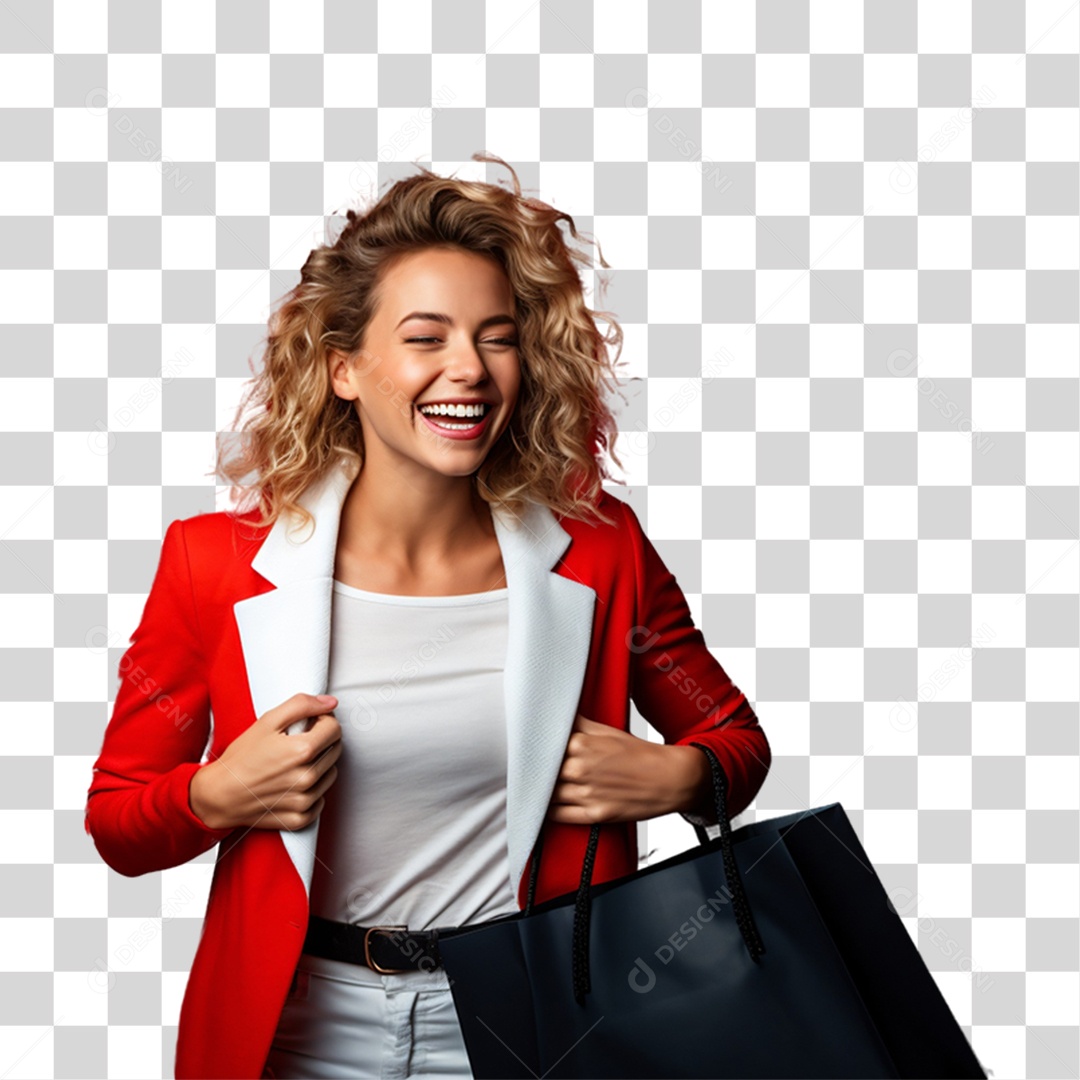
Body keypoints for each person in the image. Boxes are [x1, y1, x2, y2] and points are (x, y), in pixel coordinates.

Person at [84, 154, 771, 1080]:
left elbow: (735, 740)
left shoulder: (601, 551)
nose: (470, 370)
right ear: (343, 371)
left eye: (497, 337)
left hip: (538, 1021)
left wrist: (682, 777)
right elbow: (119, 820)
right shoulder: (214, 561)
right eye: (426, 337)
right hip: (299, 1033)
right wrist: (215, 795)